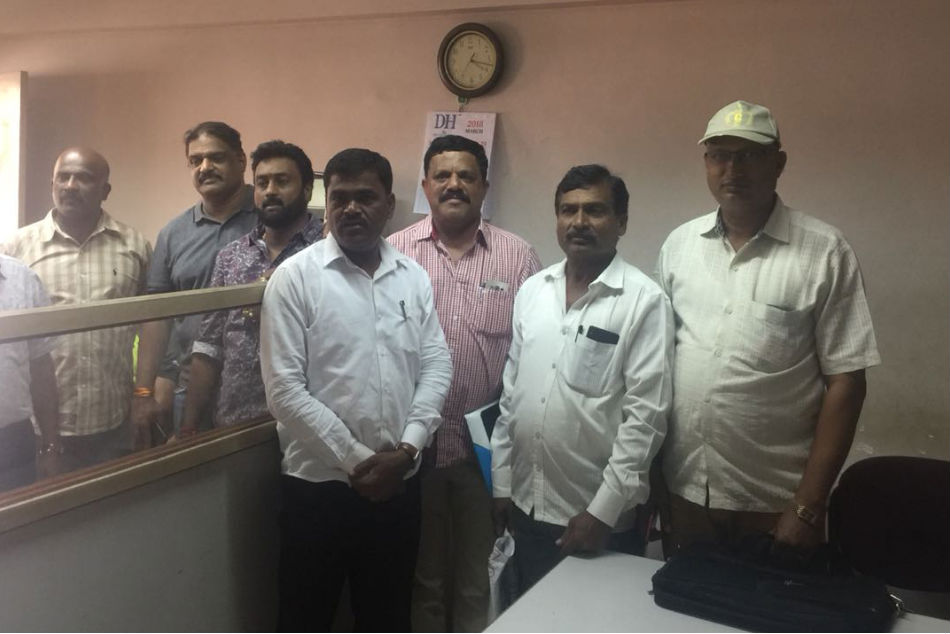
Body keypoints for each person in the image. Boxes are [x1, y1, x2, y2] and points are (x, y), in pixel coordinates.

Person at [655, 100, 881, 554]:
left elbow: (847, 382)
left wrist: (806, 507)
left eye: (749, 155)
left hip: (774, 506)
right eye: (719, 154)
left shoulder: (824, 251)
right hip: (686, 495)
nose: (732, 169)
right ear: (705, 163)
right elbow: (654, 366)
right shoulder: (679, 246)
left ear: (778, 163)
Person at [260, 148, 453, 631]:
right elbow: (284, 391)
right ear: (325, 206)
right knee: (305, 618)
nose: (351, 209)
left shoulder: (412, 276)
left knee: (387, 618)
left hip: (399, 487)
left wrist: (408, 450)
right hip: (318, 491)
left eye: (365, 197)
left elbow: (435, 363)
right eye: (339, 198)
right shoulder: (295, 279)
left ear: (389, 205)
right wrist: (359, 463)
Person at [491, 164, 673, 596]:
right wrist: (501, 485)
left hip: (594, 521)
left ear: (622, 222)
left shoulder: (644, 302)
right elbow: (511, 395)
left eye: (594, 210)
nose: (578, 222)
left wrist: (602, 513)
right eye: (567, 210)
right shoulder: (533, 290)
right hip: (525, 507)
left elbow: (645, 420)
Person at [388, 134, 540, 632]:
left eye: (467, 176)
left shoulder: (517, 257)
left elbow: (531, 352)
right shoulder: (393, 254)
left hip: (487, 452)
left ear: (484, 186)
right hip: (414, 446)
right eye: (443, 176)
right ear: (426, 185)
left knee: (481, 573)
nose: (455, 185)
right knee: (421, 574)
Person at [2, 147, 151, 473]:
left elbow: (150, 326)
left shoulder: (134, 246)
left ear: (105, 190)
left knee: (111, 515)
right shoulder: (15, 250)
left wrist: (144, 393)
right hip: (40, 429)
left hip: (113, 421)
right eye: (63, 177)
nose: (70, 185)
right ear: (52, 184)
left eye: (83, 178)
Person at [179, 140, 323, 436]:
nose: (270, 190)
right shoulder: (231, 256)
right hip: (235, 423)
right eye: (262, 182)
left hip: (309, 429)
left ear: (307, 190)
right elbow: (208, 346)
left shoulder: (326, 253)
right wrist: (189, 425)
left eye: (282, 181)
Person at [132, 121, 258, 447]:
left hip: (257, 386)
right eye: (195, 160)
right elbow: (157, 315)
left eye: (216, 157)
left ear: (241, 161)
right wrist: (146, 389)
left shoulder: (270, 218)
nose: (205, 167)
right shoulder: (173, 234)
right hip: (190, 384)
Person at [0, 255, 60, 491]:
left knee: (17, 525)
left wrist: (51, 444)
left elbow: (42, 371)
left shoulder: (23, 279)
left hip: (11, 445)